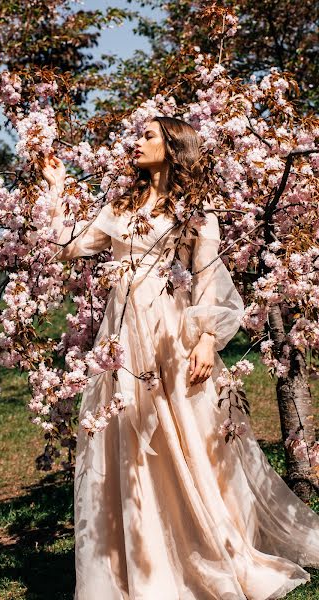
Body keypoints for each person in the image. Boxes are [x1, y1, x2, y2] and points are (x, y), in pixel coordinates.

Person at [42, 117, 319, 600]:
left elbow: (206, 279)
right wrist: (57, 187)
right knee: (130, 443)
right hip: (124, 339)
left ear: (173, 147)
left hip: (171, 334)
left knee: (191, 441)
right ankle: (145, 561)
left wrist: (207, 340)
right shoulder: (120, 207)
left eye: (148, 135)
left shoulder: (196, 213)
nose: (136, 141)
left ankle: (207, 550)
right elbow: (69, 248)